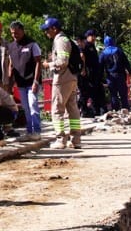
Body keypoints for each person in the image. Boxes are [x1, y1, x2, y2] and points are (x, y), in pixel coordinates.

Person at [42, 15, 82, 150]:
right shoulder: (66, 39)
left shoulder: (60, 41)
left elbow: (62, 62)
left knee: (57, 110)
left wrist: (49, 65)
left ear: (54, 28)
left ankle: (60, 139)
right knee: (72, 109)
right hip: (71, 77)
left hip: (62, 79)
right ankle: (76, 139)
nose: (46, 32)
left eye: (47, 30)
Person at [101, 34, 131, 112]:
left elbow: (100, 66)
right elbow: (126, 62)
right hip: (120, 75)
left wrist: (100, 78)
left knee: (113, 94)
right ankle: (125, 109)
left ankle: (115, 110)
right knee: (123, 94)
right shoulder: (119, 51)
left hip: (110, 77)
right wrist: (130, 72)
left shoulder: (103, 53)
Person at [79, 29, 105, 118]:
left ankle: (97, 110)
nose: (94, 37)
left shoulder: (92, 46)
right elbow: (82, 56)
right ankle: (84, 111)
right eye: (92, 36)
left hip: (95, 73)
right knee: (86, 93)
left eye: (94, 36)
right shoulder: (85, 45)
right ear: (88, 36)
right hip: (88, 73)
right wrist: (83, 69)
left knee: (97, 92)